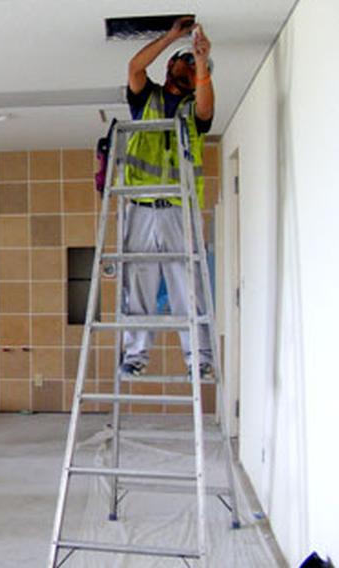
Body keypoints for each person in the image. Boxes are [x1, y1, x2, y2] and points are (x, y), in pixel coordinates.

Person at [120, 16, 215, 379]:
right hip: (141, 205)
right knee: (139, 282)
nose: (188, 68)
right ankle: (136, 355)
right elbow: (134, 66)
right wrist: (172, 36)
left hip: (179, 208)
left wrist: (202, 59)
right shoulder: (146, 98)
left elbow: (207, 106)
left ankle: (198, 359)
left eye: (194, 67)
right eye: (183, 61)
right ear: (169, 66)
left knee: (186, 283)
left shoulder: (195, 111)